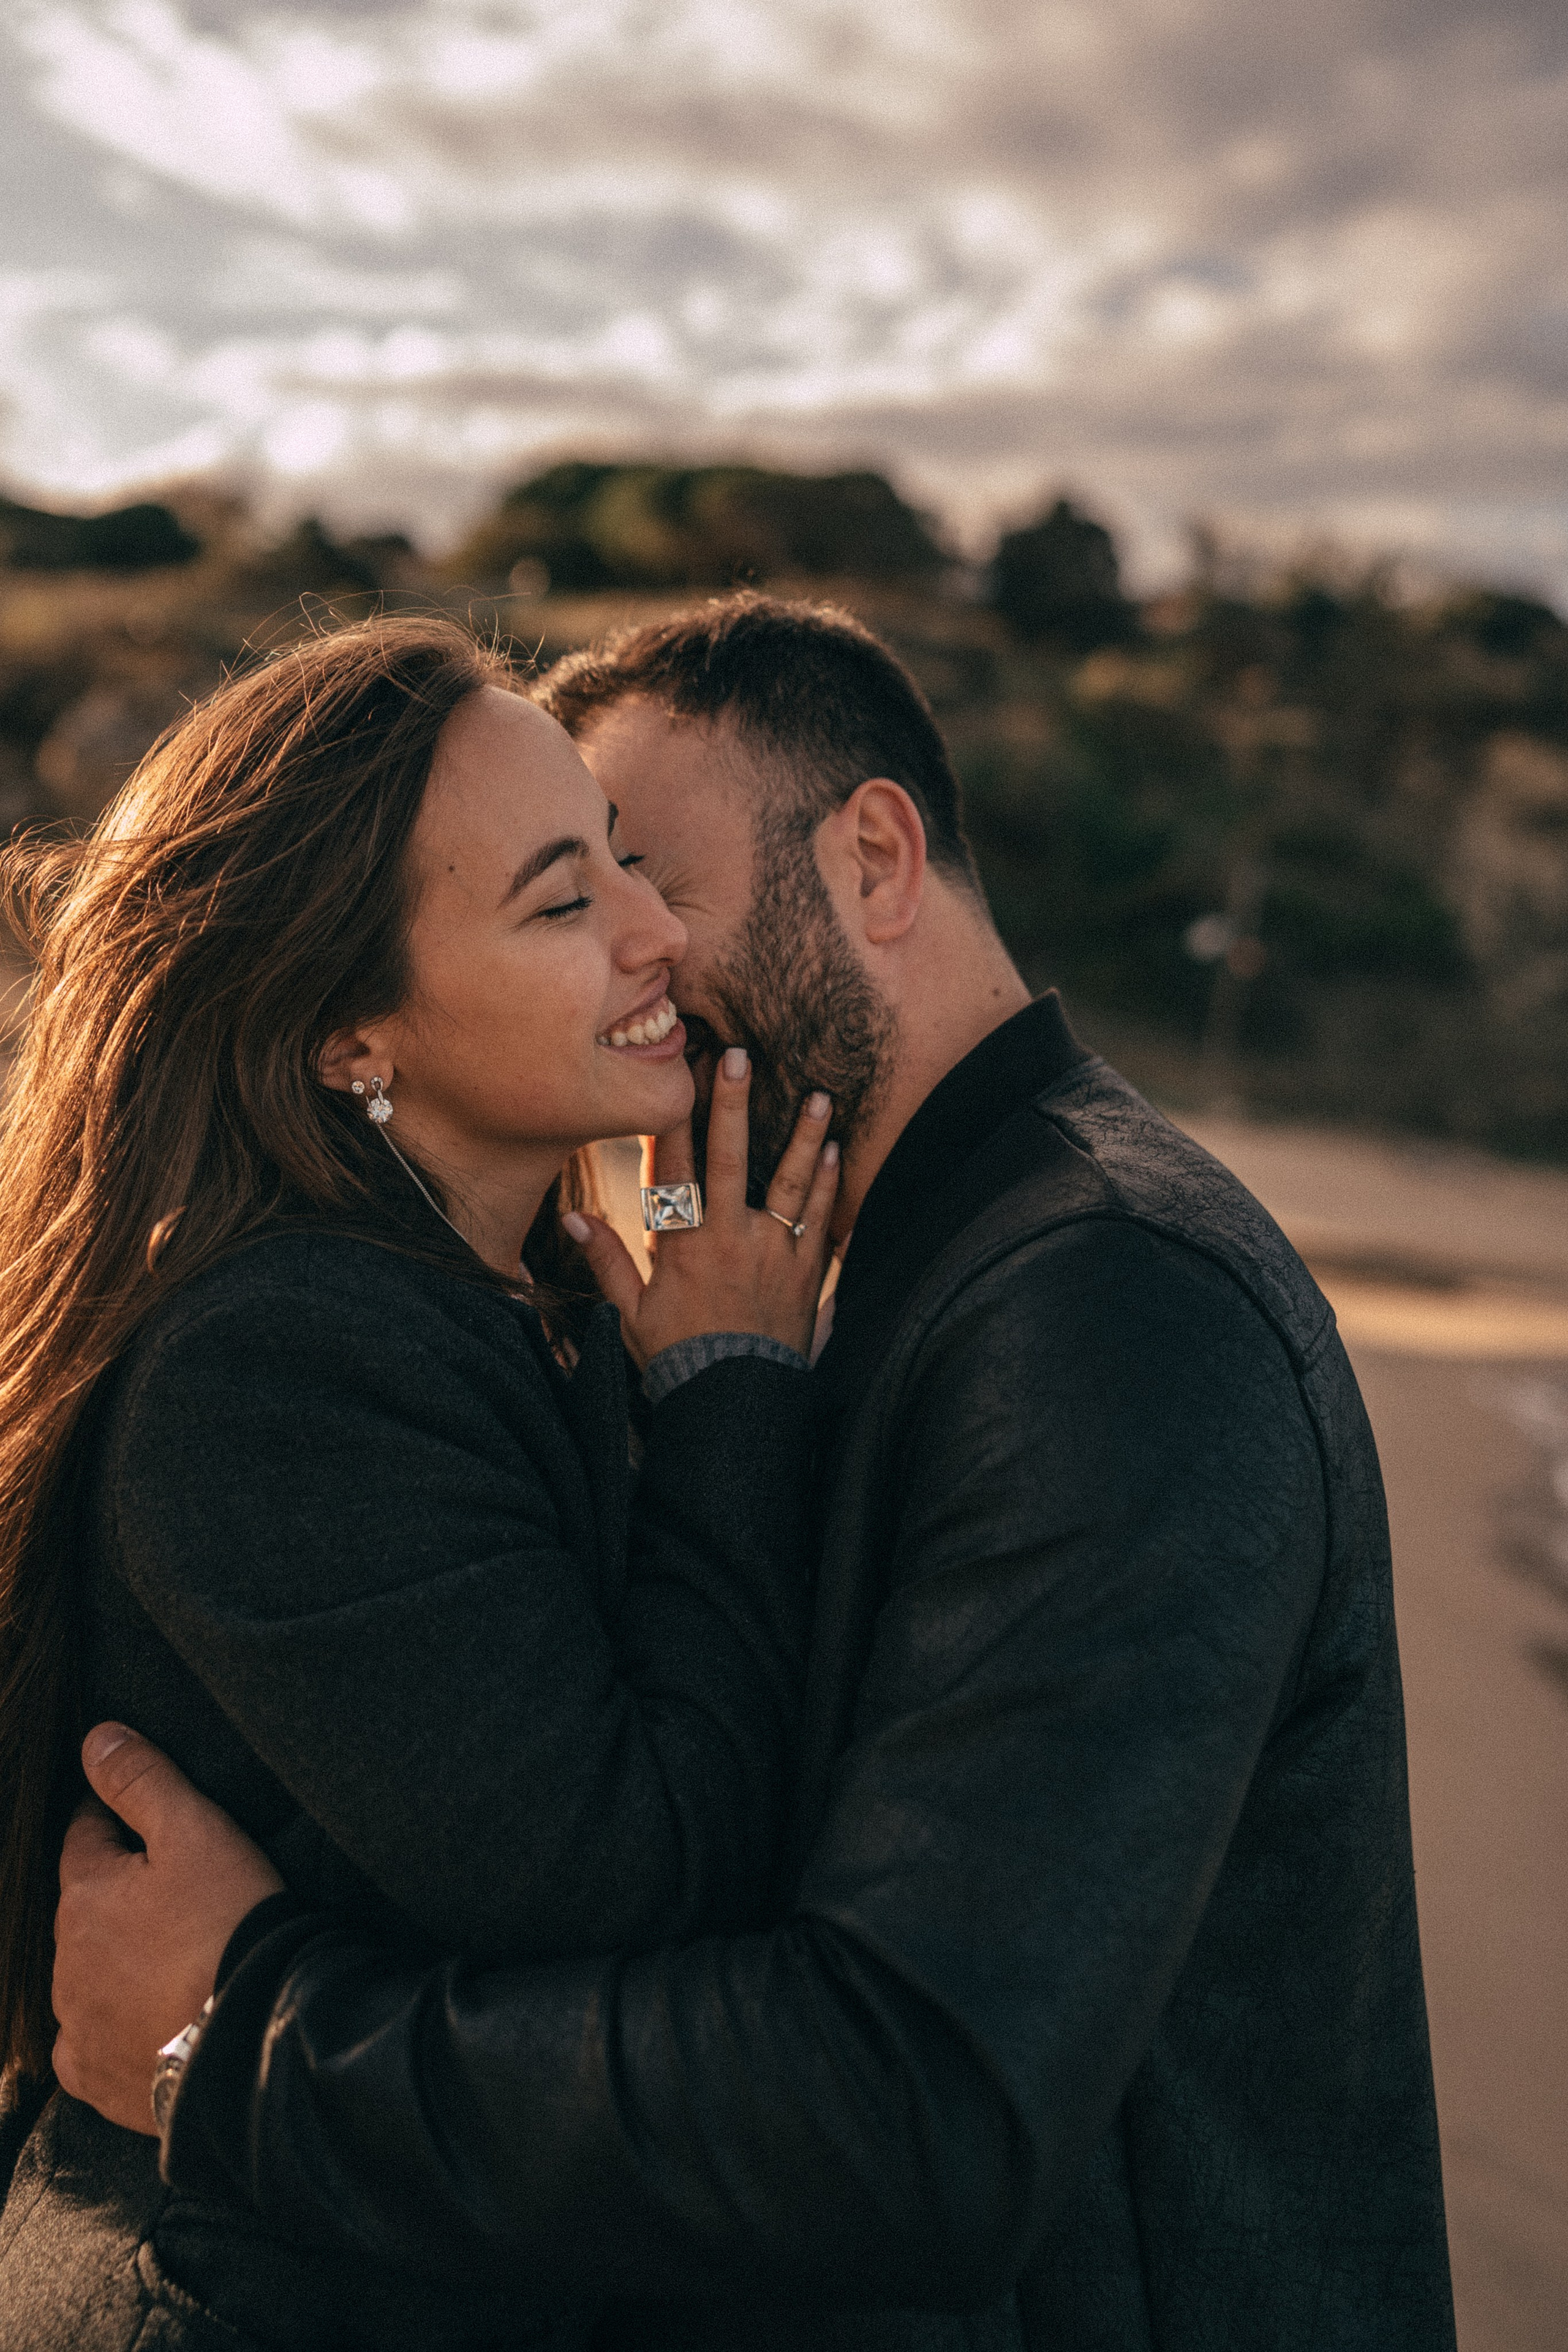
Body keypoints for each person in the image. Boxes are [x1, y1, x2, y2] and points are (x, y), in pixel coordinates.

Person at [51, 596, 1457, 2350]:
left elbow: (909, 2106)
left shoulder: (1108, 1299)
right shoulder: (902, 1272)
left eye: (656, 876)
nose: (646, 942)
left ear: (873, 859)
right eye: (576, 889)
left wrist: (244, 2041)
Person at [0, 614, 842, 2351]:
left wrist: (692, 1273)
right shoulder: (285, 1365)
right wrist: (732, 1385)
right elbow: (645, 1870)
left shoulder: (517, 1293)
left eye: (625, 860)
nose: (658, 931)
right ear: (348, 1037)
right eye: (562, 903)